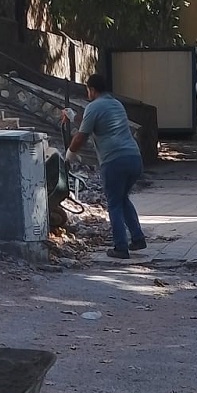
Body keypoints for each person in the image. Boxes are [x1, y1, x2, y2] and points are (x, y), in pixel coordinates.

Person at [62, 73, 146, 260]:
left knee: (114, 203)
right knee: (122, 198)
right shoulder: (117, 104)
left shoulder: (93, 106)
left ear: (91, 90)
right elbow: (94, 122)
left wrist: (70, 153)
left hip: (114, 161)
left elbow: (82, 135)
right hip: (134, 158)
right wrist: (73, 116)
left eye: (87, 90)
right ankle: (138, 238)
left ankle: (120, 247)